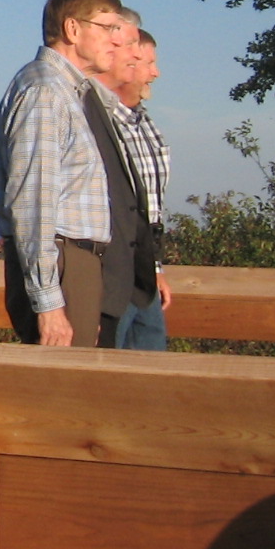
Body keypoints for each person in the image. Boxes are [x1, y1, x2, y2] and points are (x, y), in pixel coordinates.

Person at [0, 0, 137, 348]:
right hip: (63, 262)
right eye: (108, 29)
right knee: (61, 394)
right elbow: (32, 202)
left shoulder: (73, 91)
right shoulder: (44, 91)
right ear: (73, 29)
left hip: (76, 265)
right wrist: (49, 305)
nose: (118, 42)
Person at [98, 26, 172, 351]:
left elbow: (150, 210)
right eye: (147, 63)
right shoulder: (101, 123)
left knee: (150, 372)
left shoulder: (146, 124)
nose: (155, 73)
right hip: (111, 273)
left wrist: (153, 267)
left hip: (142, 272)